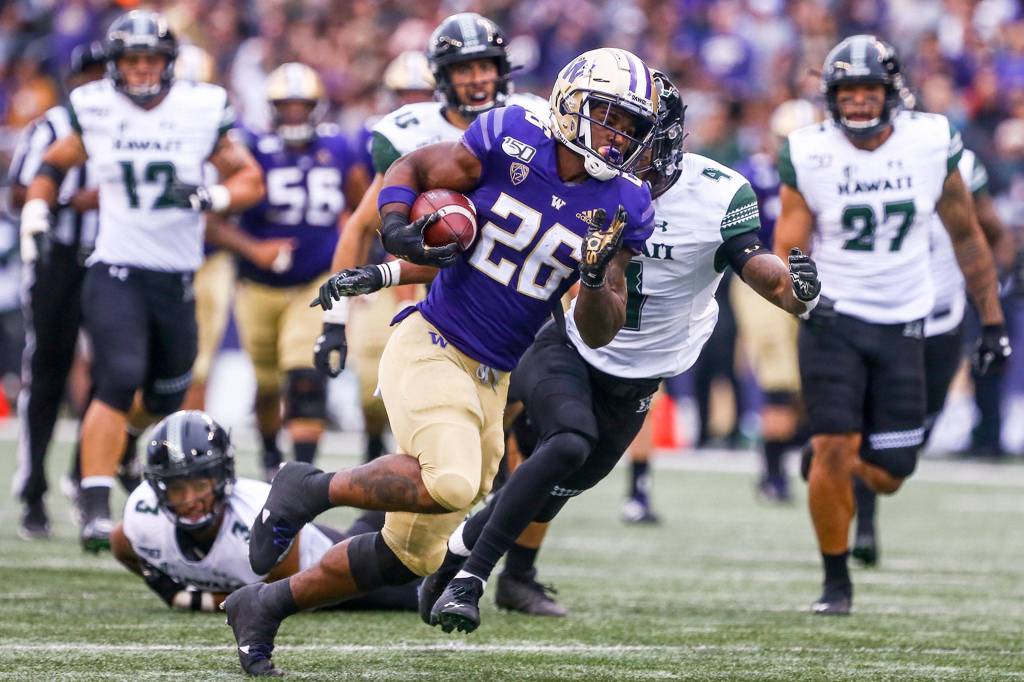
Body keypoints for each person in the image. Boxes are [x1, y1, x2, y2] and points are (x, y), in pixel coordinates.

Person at [223, 46, 661, 677]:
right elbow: (413, 165)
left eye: (629, 125)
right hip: (434, 342)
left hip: (493, 374)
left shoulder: (627, 203)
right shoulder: (512, 135)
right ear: (570, 103)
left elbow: (601, 327)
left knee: (411, 557)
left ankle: (264, 606)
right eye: (607, 115)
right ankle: (308, 487)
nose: (616, 134)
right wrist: (397, 222)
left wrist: (594, 278)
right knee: (452, 482)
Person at [412, 71, 823, 634]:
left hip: (640, 369)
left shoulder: (717, 192)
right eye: (611, 127)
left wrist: (799, 295)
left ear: (666, 136)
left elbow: (767, 276)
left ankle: (463, 558)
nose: (615, 143)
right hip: (567, 336)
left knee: (553, 485)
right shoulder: (589, 175)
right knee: (560, 444)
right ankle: (468, 578)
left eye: (634, 132)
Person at [774, 35, 1010, 615]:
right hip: (835, 319)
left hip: (907, 319)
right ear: (831, 97)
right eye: (847, 92)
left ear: (891, 92)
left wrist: (992, 322)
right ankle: (836, 581)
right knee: (833, 441)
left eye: (868, 90)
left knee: (892, 470)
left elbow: (967, 236)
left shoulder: (931, 140)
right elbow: (789, 246)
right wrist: (803, 299)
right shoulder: (807, 150)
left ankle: (835, 463)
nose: (857, 102)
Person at [19, 10, 264, 552]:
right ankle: (94, 504)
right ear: (114, 64)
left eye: (150, 58)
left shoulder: (200, 107)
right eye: (131, 59)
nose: (141, 69)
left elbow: (248, 177)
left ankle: (121, 449)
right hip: (115, 268)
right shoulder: (96, 108)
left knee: (166, 392)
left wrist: (214, 197)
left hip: (176, 274)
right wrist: (37, 208)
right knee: (118, 374)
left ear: (169, 63)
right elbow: (54, 163)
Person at [313, 13, 549, 464]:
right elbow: (363, 225)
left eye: (485, 66)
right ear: (442, 77)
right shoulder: (413, 130)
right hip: (435, 299)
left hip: (516, 293)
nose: (478, 79)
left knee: (516, 420)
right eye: (465, 68)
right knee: (441, 428)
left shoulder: (531, 121)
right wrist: (334, 321)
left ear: (502, 69)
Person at [850, 144, 1012, 566]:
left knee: (907, 444)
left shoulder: (951, 157)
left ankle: (846, 458)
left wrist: (995, 292)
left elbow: (991, 232)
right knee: (868, 420)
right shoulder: (848, 162)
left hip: (940, 319)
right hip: (879, 314)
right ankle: (862, 519)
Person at [209, 62, 368, 479]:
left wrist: (359, 263)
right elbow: (212, 220)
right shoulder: (250, 148)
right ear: (272, 108)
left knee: (305, 375)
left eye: (302, 106)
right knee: (266, 385)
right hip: (257, 285)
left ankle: (300, 475)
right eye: (286, 106)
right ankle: (266, 451)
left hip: (315, 281)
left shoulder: (339, 149)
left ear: (316, 108)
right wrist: (254, 248)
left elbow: (362, 211)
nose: (294, 114)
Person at [110, 410, 417, 613]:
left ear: (222, 477)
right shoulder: (144, 518)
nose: (190, 499)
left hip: (325, 570)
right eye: (177, 488)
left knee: (413, 586)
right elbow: (121, 545)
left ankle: (417, 490)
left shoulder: (253, 515)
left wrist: (190, 598)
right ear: (159, 489)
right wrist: (163, 584)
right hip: (292, 571)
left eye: (200, 484)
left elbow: (280, 592)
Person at [9, 41, 106, 540]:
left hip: (114, 258)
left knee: (115, 374)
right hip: (59, 262)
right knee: (47, 371)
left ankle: (86, 478)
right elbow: (18, 191)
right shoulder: (51, 124)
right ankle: (32, 487)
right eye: (87, 76)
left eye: (102, 75)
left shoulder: (133, 125)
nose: (95, 85)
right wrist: (71, 199)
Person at [731, 99, 820, 503]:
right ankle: (771, 473)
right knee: (780, 381)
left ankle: (784, 460)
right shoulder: (753, 175)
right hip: (764, 282)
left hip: (816, 281)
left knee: (812, 383)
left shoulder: (827, 172)